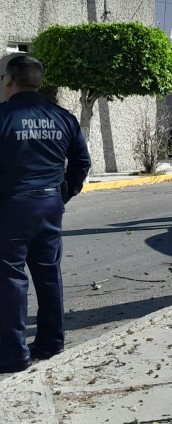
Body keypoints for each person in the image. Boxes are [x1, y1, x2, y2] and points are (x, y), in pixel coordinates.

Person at [0, 55, 91, 374]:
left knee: (10, 279)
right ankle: (52, 343)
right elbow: (82, 162)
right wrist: (63, 192)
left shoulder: (3, 116)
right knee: (49, 274)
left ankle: (13, 355)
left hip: (12, 205)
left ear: (9, 80)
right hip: (50, 204)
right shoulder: (63, 117)